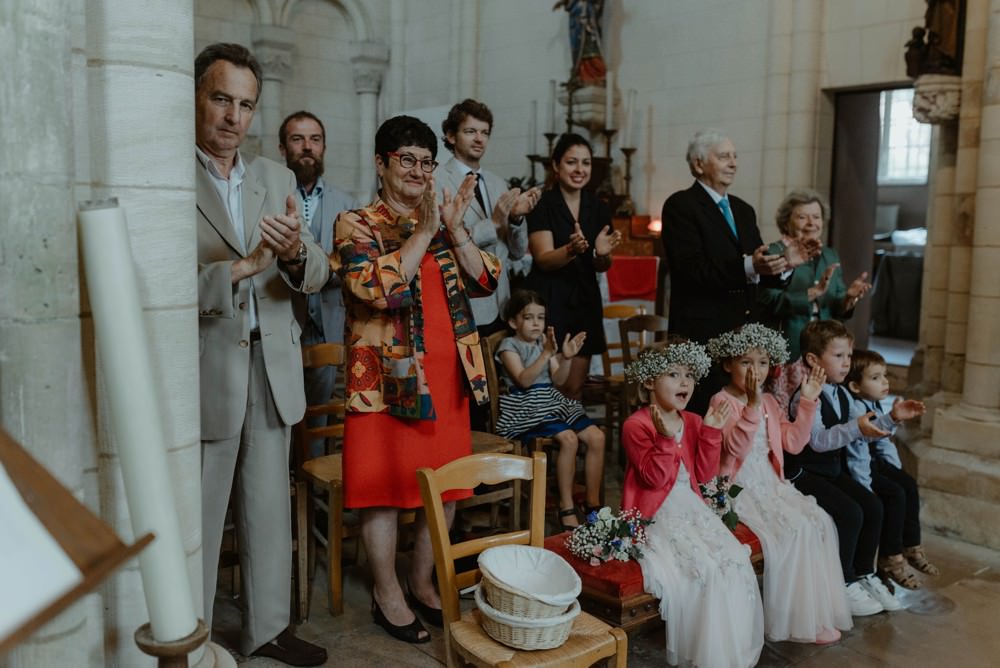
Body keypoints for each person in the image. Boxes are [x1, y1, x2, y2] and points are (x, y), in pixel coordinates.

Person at [331, 115, 502, 644]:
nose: (419, 171)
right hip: (385, 378)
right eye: (407, 159)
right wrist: (427, 230)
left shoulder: (443, 223)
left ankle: (422, 582)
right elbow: (374, 287)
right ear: (380, 163)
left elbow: (486, 278)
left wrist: (453, 229)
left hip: (447, 376)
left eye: (427, 162)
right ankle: (387, 593)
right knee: (382, 489)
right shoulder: (356, 223)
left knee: (445, 488)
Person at [195, 43, 328, 666]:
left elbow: (318, 270)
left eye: (246, 105)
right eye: (222, 99)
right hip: (205, 367)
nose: (234, 117)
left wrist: (297, 255)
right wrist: (241, 268)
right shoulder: (165, 176)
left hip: (272, 365)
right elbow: (151, 283)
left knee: (268, 507)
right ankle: (189, 638)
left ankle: (267, 632)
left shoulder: (276, 178)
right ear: (196, 97)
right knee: (200, 513)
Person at [706, 323, 852, 645]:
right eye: (746, 362)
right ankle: (790, 619)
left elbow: (794, 444)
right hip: (739, 488)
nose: (755, 371)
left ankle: (810, 617)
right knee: (793, 531)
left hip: (771, 482)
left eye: (761, 362)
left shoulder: (772, 401)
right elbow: (734, 450)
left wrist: (808, 403)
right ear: (728, 364)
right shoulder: (721, 401)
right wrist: (753, 407)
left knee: (819, 521)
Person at [621, 341, 763, 668]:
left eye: (689, 374)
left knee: (732, 562)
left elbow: (704, 474)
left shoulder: (696, 421)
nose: (684, 382)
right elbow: (653, 480)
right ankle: (707, 655)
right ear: (647, 382)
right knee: (706, 570)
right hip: (656, 512)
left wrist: (711, 432)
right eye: (673, 374)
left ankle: (730, 651)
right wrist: (664, 437)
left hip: (692, 506)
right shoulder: (636, 425)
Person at [660, 129, 817, 414]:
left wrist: (784, 264)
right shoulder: (680, 206)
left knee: (739, 416)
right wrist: (749, 266)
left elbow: (759, 264)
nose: (733, 163)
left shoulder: (744, 210)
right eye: (723, 157)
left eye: (734, 157)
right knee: (703, 414)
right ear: (698, 164)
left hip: (743, 335)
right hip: (702, 331)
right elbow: (690, 269)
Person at [785, 320, 924, 617]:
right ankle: (843, 581)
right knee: (850, 513)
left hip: (831, 471)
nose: (847, 363)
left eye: (848, 356)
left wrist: (891, 419)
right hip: (805, 474)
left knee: (872, 506)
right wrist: (855, 427)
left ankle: (864, 572)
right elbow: (819, 441)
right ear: (812, 359)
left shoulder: (843, 393)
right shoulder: (806, 396)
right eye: (839, 356)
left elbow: (865, 426)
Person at [435, 99, 541, 428]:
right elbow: (444, 242)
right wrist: (493, 224)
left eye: (484, 132)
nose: (479, 139)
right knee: (460, 394)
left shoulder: (495, 183)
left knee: (491, 394)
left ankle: (486, 468)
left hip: (499, 301)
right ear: (451, 136)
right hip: (462, 300)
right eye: (470, 131)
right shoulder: (437, 180)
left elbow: (517, 249)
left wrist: (519, 220)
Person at [279, 110, 359, 458]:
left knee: (319, 412)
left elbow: (356, 263)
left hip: (327, 320)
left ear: (324, 146)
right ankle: (281, 486)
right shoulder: (270, 195)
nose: (307, 147)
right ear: (283, 148)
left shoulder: (346, 203)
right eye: (297, 139)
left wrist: (322, 264)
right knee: (279, 413)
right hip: (284, 318)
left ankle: (311, 493)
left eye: (314, 139)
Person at [494, 289, 605, 529]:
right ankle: (565, 507)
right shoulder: (508, 345)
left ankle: (592, 504)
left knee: (597, 437)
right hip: (526, 404)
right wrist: (546, 353)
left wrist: (565, 358)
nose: (536, 323)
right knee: (569, 439)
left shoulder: (544, 343)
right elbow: (524, 380)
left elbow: (559, 380)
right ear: (513, 322)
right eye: (529, 317)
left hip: (551, 399)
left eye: (541, 318)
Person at [526, 132, 621, 399]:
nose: (580, 169)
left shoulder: (598, 207)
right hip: (551, 299)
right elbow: (543, 258)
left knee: (575, 388)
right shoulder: (543, 204)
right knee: (552, 387)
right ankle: (554, 440)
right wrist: (570, 250)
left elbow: (602, 264)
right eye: (571, 162)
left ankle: (575, 440)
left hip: (585, 301)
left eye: (586, 163)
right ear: (556, 166)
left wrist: (601, 255)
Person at [758, 189, 871, 410]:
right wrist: (812, 293)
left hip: (825, 353)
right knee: (789, 412)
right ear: (786, 221)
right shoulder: (774, 252)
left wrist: (849, 298)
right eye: (802, 217)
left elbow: (836, 306)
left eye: (816, 217)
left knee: (820, 412)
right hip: (789, 348)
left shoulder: (830, 255)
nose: (811, 223)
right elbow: (767, 301)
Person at [845, 349, 938, 588]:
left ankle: (911, 546)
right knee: (894, 494)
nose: (885, 382)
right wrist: (865, 488)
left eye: (885, 375)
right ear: (855, 386)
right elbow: (857, 456)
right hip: (860, 468)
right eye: (875, 378)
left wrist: (896, 470)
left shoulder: (873, 401)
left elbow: (884, 440)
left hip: (875, 462)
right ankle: (891, 557)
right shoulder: (856, 408)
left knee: (907, 484)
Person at [553, 0, 606, 85]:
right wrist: (563, 2)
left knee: (593, 51)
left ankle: (597, 76)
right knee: (578, 55)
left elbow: (597, 5)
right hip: (576, 27)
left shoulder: (588, 5)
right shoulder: (575, 5)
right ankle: (582, 77)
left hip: (588, 26)